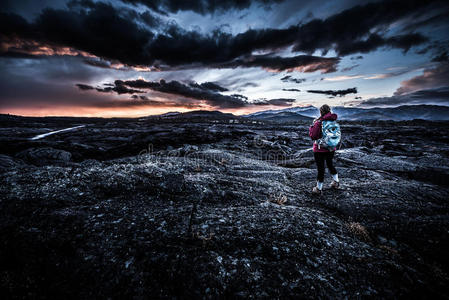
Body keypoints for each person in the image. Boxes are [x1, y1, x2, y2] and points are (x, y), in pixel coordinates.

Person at [308, 104, 339, 194]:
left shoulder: (319, 122)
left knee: (321, 169)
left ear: (321, 112)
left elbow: (313, 136)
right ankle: (336, 182)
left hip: (319, 149)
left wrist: (312, 127)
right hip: (331, 148)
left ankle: (319, 188)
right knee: (330, 164)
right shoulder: (333, 121)